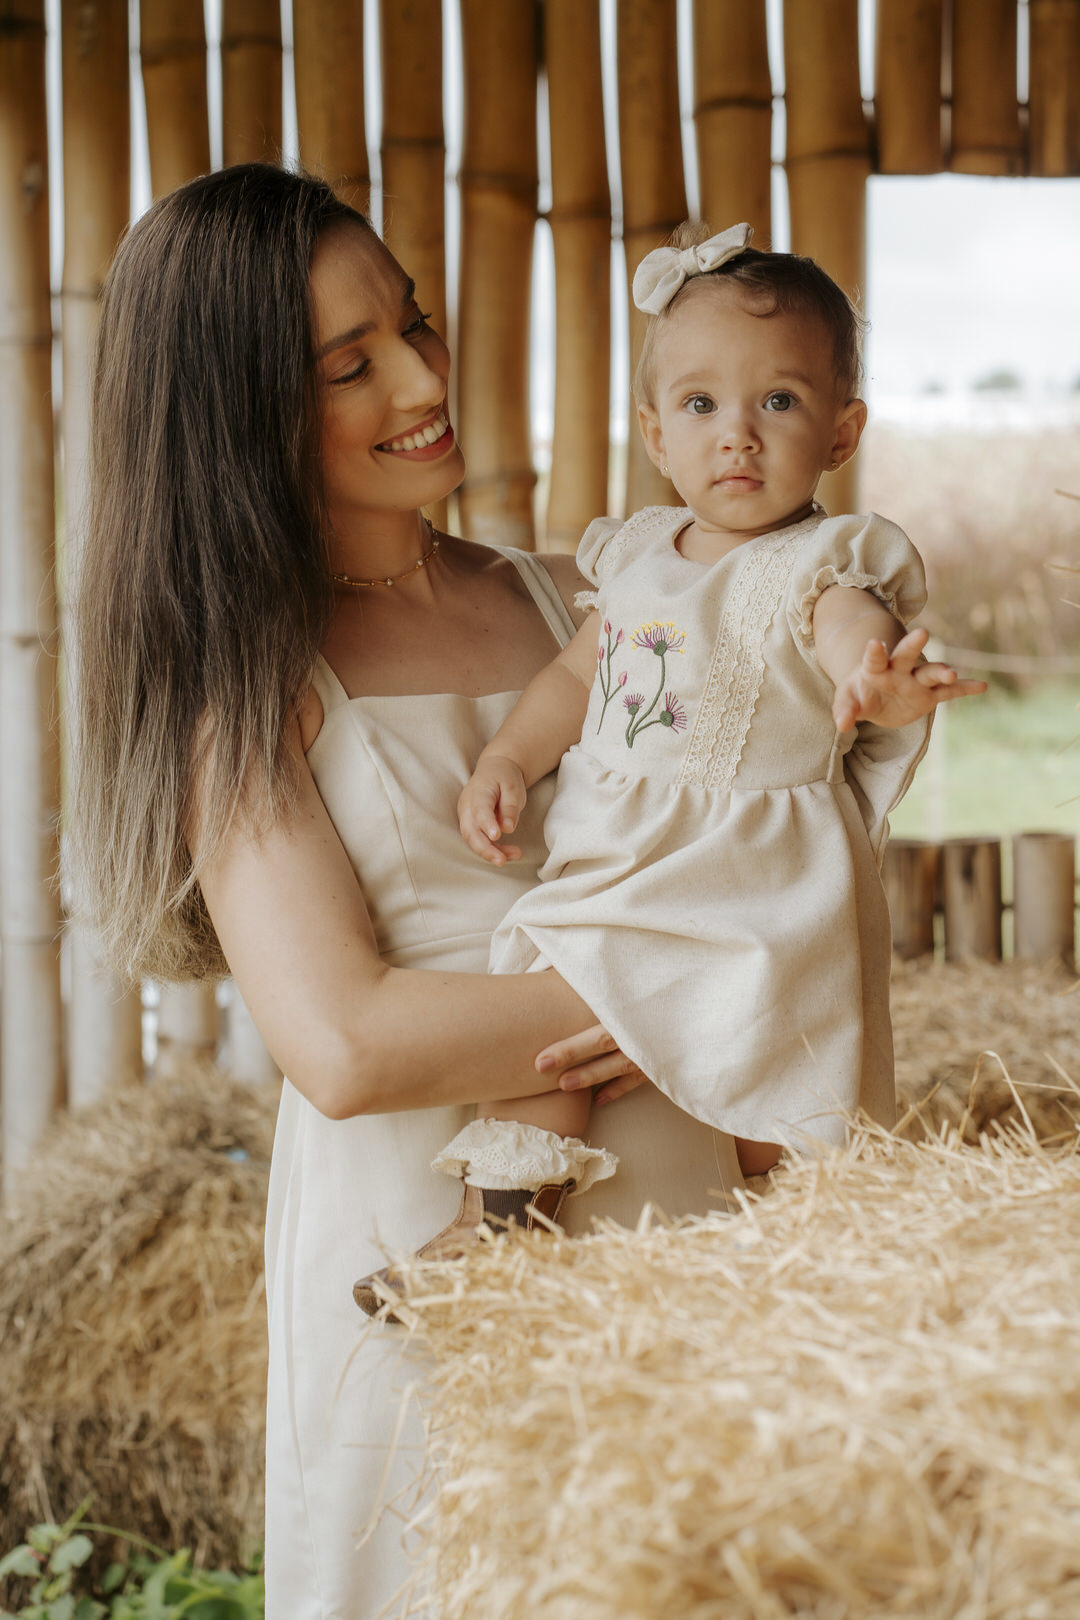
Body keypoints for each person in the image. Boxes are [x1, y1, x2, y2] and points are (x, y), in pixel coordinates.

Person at [68, 166, 753, 1620]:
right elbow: (348, 1043)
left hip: (679, 1207)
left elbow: (753, 828)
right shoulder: (245, 691)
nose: (426, 375)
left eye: (414, 321)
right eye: (349, 363)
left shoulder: (589, 600)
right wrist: (674, 995)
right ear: (237, 413)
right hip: (426, 1239)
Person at [355, 221, 986, 1313]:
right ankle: (494, 1228)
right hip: (623, 863)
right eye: (701, 406)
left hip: (751, 885)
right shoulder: (639, 555)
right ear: (654, 431)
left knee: (782, 1096)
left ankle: (800, 1263)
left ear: (842, 432)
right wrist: (510, 754)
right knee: (551, 1021)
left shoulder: (820, 561)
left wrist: (871, 680)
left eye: (777, 404)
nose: (736, 437)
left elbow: (846, 627)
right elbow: (575, 672)